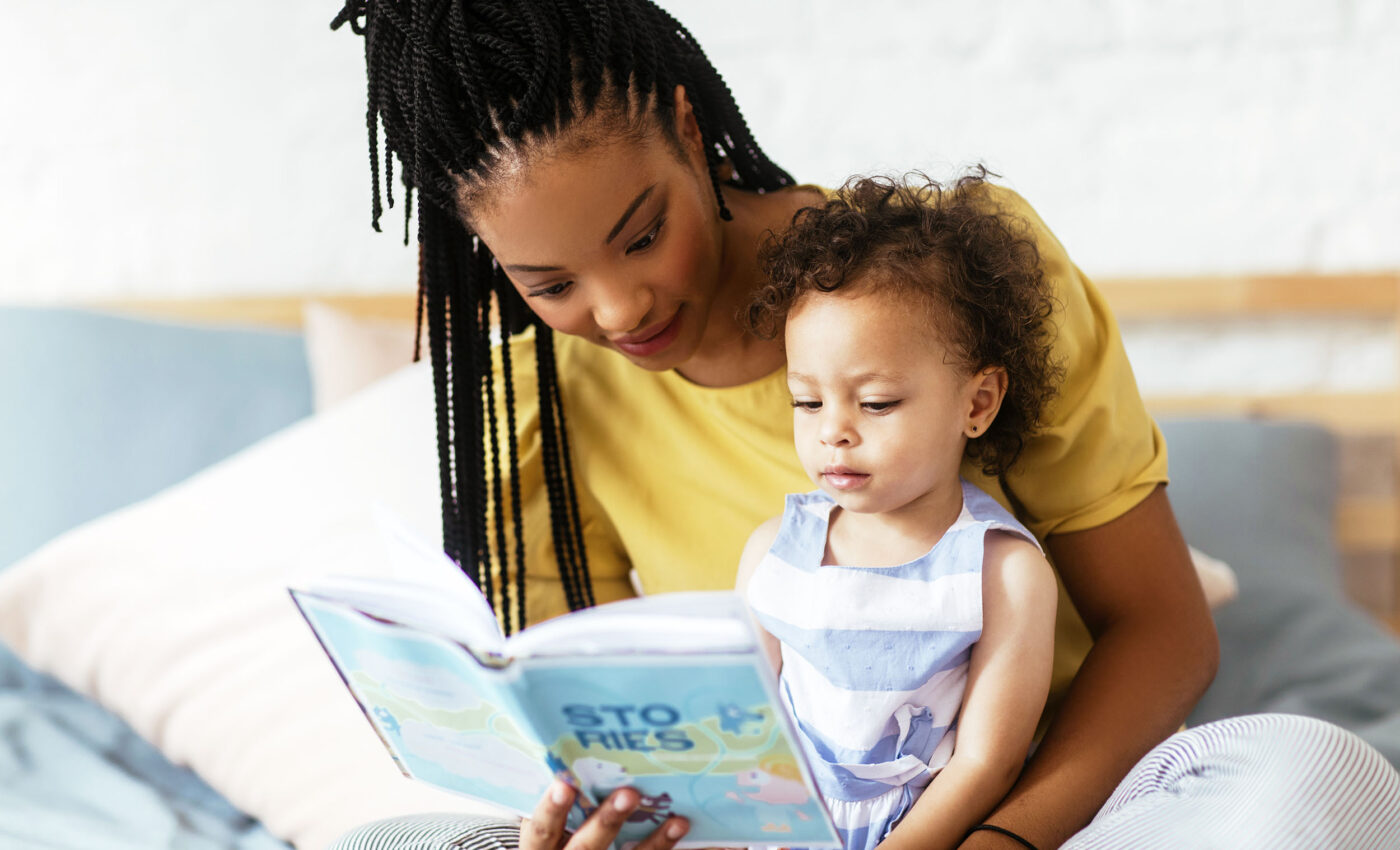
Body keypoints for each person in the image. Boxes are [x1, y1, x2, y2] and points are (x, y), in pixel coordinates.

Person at [324, 1, 1400, 848]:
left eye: (641, 235)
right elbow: (605, 735)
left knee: (1314, 776)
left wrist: (994, 839)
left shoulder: (950, 280)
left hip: (1059, 816)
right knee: (379, 842)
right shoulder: (539, 407)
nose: (617, 310)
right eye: (547, 282)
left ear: (689, 131)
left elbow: (1164, 629)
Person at [733, 174, 1059, 850]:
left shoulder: (1003, 572)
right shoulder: (774, 554)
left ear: (976, 404)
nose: (834, 432)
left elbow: (986, 762)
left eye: (875, 402)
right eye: (807, 402)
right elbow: (744, 730)